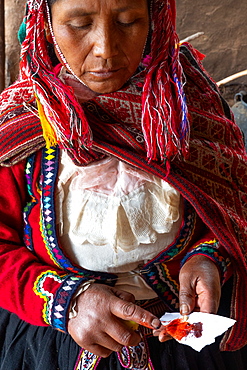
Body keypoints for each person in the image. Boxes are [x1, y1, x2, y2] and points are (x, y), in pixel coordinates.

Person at [0, 0, 247, 369]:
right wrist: (70, 303)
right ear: (47, 25)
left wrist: (209, 256)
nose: (106, 48)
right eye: (80, 24)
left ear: (155, 21)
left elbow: (233, 208)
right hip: (54, 349)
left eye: (128, 21)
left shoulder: (191, 107)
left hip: (191, 350)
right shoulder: (20, 126)